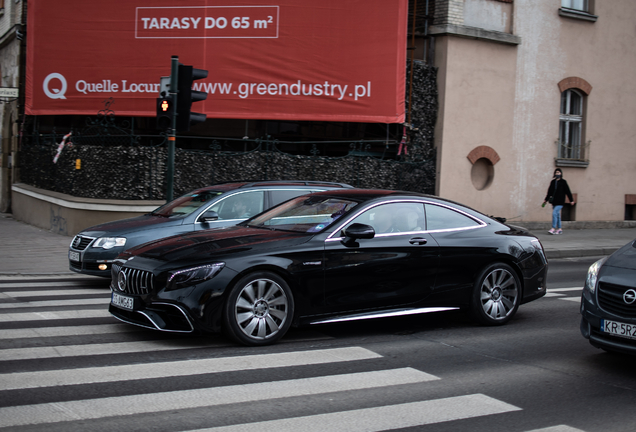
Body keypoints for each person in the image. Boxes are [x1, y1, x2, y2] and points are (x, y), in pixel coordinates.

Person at [543, 168, 575, 235]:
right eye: (556, 173)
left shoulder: (563, 182)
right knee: (557, 215)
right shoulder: (553, 182)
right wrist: (546, 199)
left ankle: (553, 228)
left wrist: (571, 200)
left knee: (554, 213)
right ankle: (560, 229)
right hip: (554, 201)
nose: (557, 174)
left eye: (558, 173)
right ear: (554, 174)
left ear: (561, 174)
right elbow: (549, 192)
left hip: (560, 201)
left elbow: (568, 191)